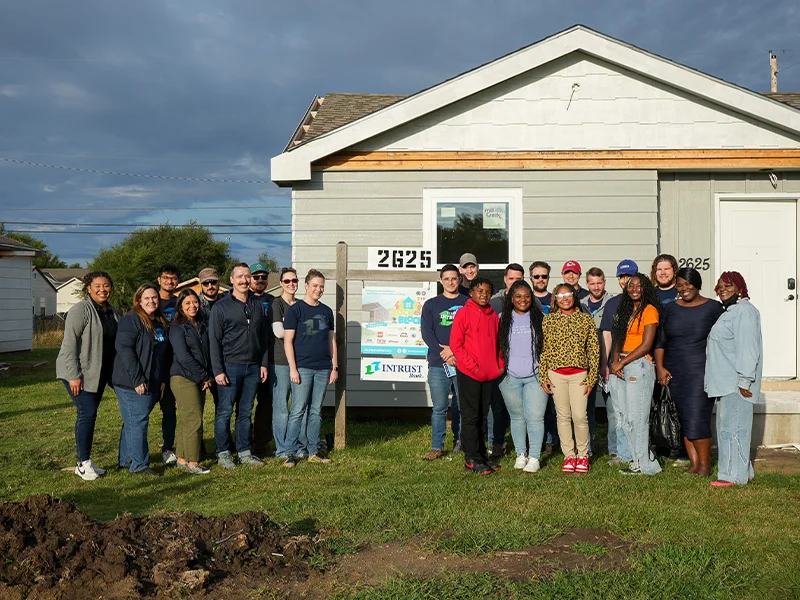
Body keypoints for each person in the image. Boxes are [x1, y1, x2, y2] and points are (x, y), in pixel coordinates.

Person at [655, 268, 723, 476]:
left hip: (699, 370)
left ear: (698, 284)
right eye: (680, 285)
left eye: (688, 284)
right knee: (683, 417)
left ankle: (705, 465)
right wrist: (660, 367)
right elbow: (661, 341)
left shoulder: (714, 308)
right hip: (674, 371)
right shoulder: (670, 309)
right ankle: (695, 465)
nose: (684, 288)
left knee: (697, 417)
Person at [56, 271, 120, 481]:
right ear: (89, 288)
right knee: (87, 413)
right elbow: (69, 344)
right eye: (98, 286)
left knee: (90, 414)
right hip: (79, 372)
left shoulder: (112, 311)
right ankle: (83, 464)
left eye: (107, 285)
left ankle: (86, 460)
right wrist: (74, 375)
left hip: (98, 372)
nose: (103, 289)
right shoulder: (81, 310)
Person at [209, 262, 271, 469]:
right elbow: (214, 341)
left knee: (245, 412)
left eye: (247, 276)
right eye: (240, 277)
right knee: (225, 411)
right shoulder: (221, 306)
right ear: (232, 280)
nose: (244, 280)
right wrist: (218, 370)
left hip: (253, 367)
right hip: (229, 366)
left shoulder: (257, 305)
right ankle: (224, 452)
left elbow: (263, 336)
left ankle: (244, 451)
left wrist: (263, 363)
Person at [705, 271, 763, 487]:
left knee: (733, 430)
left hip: (736, 384)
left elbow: (749, 349)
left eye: (728, 286)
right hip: (725, 383)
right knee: (730, 427)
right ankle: (744, 471)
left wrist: (745, 381)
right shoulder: (731, 311)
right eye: (719, 287)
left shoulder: (744, 312)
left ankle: (732, 476)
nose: (722, 291)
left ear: (740, 288)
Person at [539, 283, 599, 474]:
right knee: (563, 416)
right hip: (556, 375)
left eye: (568, 294)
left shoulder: (585, 320)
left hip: (579, 375)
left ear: (574, 296)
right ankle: (569, 455)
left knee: (580, 416)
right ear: (555, 299)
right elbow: (545, 350)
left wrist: (591, 378)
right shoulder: (548, 321)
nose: (564, 298)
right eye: (560, 295)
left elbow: (593, 350)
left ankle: (583, 454)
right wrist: (543, 375)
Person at [112, 284, 170, 476]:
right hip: (131, 382)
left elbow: (161, 354)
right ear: (138, 300)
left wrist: (161, 380)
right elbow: (125, 350)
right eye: (146, 298)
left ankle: (126, 460)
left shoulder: (159, 321)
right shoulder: (132, 320)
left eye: (154, 298)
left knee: (132, 420)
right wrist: (137, 379)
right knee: (138, 421)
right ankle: (139, 465)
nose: (151, 301)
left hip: (153, 381)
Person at [284, 269, 338, 467]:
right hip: (303, 368)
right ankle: (290, 453)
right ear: (306, 285)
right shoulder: (296, 310)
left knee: (316, 411)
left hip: (323, 368)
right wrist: (293, 369)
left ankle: (313, 450)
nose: (319, 289)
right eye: (315, 285)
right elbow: (288, 341)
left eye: (321, 286)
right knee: (298, 410)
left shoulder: (326, 311)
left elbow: (331, 340)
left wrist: (335, 367)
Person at [450, 277, 504, 474]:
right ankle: (471, 458)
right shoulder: (463, 313)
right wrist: (473, 368)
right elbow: (456, 345)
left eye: (488, 292)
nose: (484, 295)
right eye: (479, 291)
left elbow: (499, 344)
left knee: (482, 416)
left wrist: (500, 366)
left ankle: (481, 455)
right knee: (470, 417)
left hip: (489, 375)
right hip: (469, 374)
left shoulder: (493, 316)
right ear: (471, 292)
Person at [609, 272, 662, 475]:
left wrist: (622, 361)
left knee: (637, 417)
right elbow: (618, 338)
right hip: (620, 365)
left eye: (639, 286)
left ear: (646, 288)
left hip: (638, 365)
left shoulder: (649, 310)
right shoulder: (625, 310)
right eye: (631, 285)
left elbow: (647, 344)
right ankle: (637, 461)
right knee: (623, 417)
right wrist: (615, 362)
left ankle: (646, 466)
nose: (634, 289)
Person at [497, 280, 547, 472]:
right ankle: (521, 454)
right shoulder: (502, 318)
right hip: (509, 377)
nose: (523, 300)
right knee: (517, 417)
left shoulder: (540, 318)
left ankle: (534, 457)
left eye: (527, 296)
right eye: (518, 296)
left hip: (535, 376)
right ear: (511, 298)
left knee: (535, 417)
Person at [420, 264, 467, 460]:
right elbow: (427, 333)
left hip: (462, 362)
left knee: (461, 406)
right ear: (441, 281)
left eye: (454, 278)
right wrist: (444, 352)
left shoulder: (467, 303)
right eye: (446, 278)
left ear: (459, 280)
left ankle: (461, 441)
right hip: (439, 364)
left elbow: (471, 333)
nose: (450, 282)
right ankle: (436, 447)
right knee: (439, 408)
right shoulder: (431, 304)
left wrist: (455, 351)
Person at [169, 289, 213, 475]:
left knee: (187, 419)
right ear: (180, 306)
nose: (192, 306)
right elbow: (184, 357)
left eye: (195, 302)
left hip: (199, 377)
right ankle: (193, 462)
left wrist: (206, 375)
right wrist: (203, 376)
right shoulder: (177, 328)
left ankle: (181, 458)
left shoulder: (202, 324)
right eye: (187, 303)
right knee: (194, 420)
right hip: (183, 378)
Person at [598, 259, 638, 464]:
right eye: (622, 277)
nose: (625, 280)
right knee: (617, 411)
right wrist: (605, 364)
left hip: (638, 364)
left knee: (636, 411)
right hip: (614, 365)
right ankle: (619, 452)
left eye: (629, 276)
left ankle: (637, 450)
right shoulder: (612, 304)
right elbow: (606, 334)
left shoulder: (644, 301)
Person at [270, 267, 306, 459]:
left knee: (300, 407)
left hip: (301, 361)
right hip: (281, 362)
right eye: (287, 281)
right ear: (281, 283)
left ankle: (299, 446)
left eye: (294, 280)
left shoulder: (301, 305)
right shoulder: (277, 304)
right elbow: (279, 332)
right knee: (282, 407)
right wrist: (300, 330)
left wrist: (292, 329)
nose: (291, 284)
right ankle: (283, 448)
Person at [579, 267, 614, 455]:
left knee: (613, 409)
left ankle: (614, 449)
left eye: (599, 283)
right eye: (592, 283)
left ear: (604, 282)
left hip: (608, 361)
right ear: (587, 284)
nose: (596, 287)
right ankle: (588, 448)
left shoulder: (613, 302)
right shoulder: (581, 304)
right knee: (586, 408)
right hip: (586, 364)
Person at [249, 261, 275, 458]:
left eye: (263, 277)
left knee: (266, 404)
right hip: (248, 360)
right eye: (256, 277)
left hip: (270, 358)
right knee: (244, 405)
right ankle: (243, 443)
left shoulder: (274, 301)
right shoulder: (243, 300)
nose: (260, 280)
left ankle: (262, 442)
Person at [156, 263, 180, 465]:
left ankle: (168, 447)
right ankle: (132, 453)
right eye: (166, 277)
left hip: (173, 364)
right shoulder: (151, 301)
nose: (169, 281)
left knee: (169, 410)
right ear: (159, 280)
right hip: (153, 363)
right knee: (140, 412)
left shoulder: (180, 303)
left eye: (173, 278)